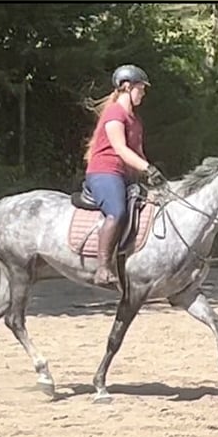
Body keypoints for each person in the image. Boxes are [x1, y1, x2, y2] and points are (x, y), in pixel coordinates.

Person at [82, 64, 165, 286]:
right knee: (117, 212)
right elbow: (120, 148)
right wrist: (146, 167)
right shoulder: (114, 113)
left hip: (126, 174)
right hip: (104, 172)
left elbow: (137, 152)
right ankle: (102, 269)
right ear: (127, 87)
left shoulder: (134, 120)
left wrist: (151, 173)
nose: (144, 93)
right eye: (141, 88)